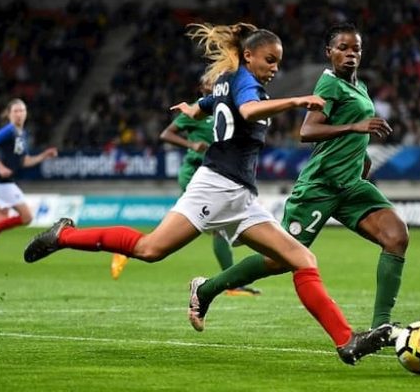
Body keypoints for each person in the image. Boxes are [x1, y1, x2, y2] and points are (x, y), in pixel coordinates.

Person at [23, 22, 391, 365]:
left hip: (242, 197)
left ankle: (346, 341)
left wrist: (193, 109)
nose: (275, 68)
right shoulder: (245, 84)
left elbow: (207, 106)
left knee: (303, 260)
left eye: (278, 61)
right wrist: (296, 101)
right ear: (249, 56)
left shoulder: (226, 81)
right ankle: (64, 235)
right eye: (270, 60)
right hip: (214, 186)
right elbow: (246, 110)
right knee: (150, 250)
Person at [187, 22, 407, 344]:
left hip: (351, 184)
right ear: (328, 52)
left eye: (355, 49)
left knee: (396, 236)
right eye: (342, 49)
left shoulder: (358, 87)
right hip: (318, 188)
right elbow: (308, 132)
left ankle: (381, 327)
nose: (350, 55)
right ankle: (206, 289)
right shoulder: (329, 85)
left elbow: (348, 133)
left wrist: (362, 157)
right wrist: (356, 128)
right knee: (279, 260)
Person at [111, 75, 261, 296]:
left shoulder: (222, 107)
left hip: (216, 177)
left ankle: (128, 247)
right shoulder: (196, 111)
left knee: (205, 231)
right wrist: (191, 144)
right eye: (210, 82)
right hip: (195, 174)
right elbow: (166, 134)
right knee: (213, 231)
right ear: (202, 87)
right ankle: (126, 248)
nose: (215, 84)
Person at [0, 99, 58, 268]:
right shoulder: (8, 130)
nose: (19, 114)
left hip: (0, 182)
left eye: (22, 110)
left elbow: (25, 161)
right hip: (1, 182)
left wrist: (43, 155)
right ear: (9, 114)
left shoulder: (22, 134)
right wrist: (0, 166)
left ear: (26, 113)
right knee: (27, 217)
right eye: (16, 111)